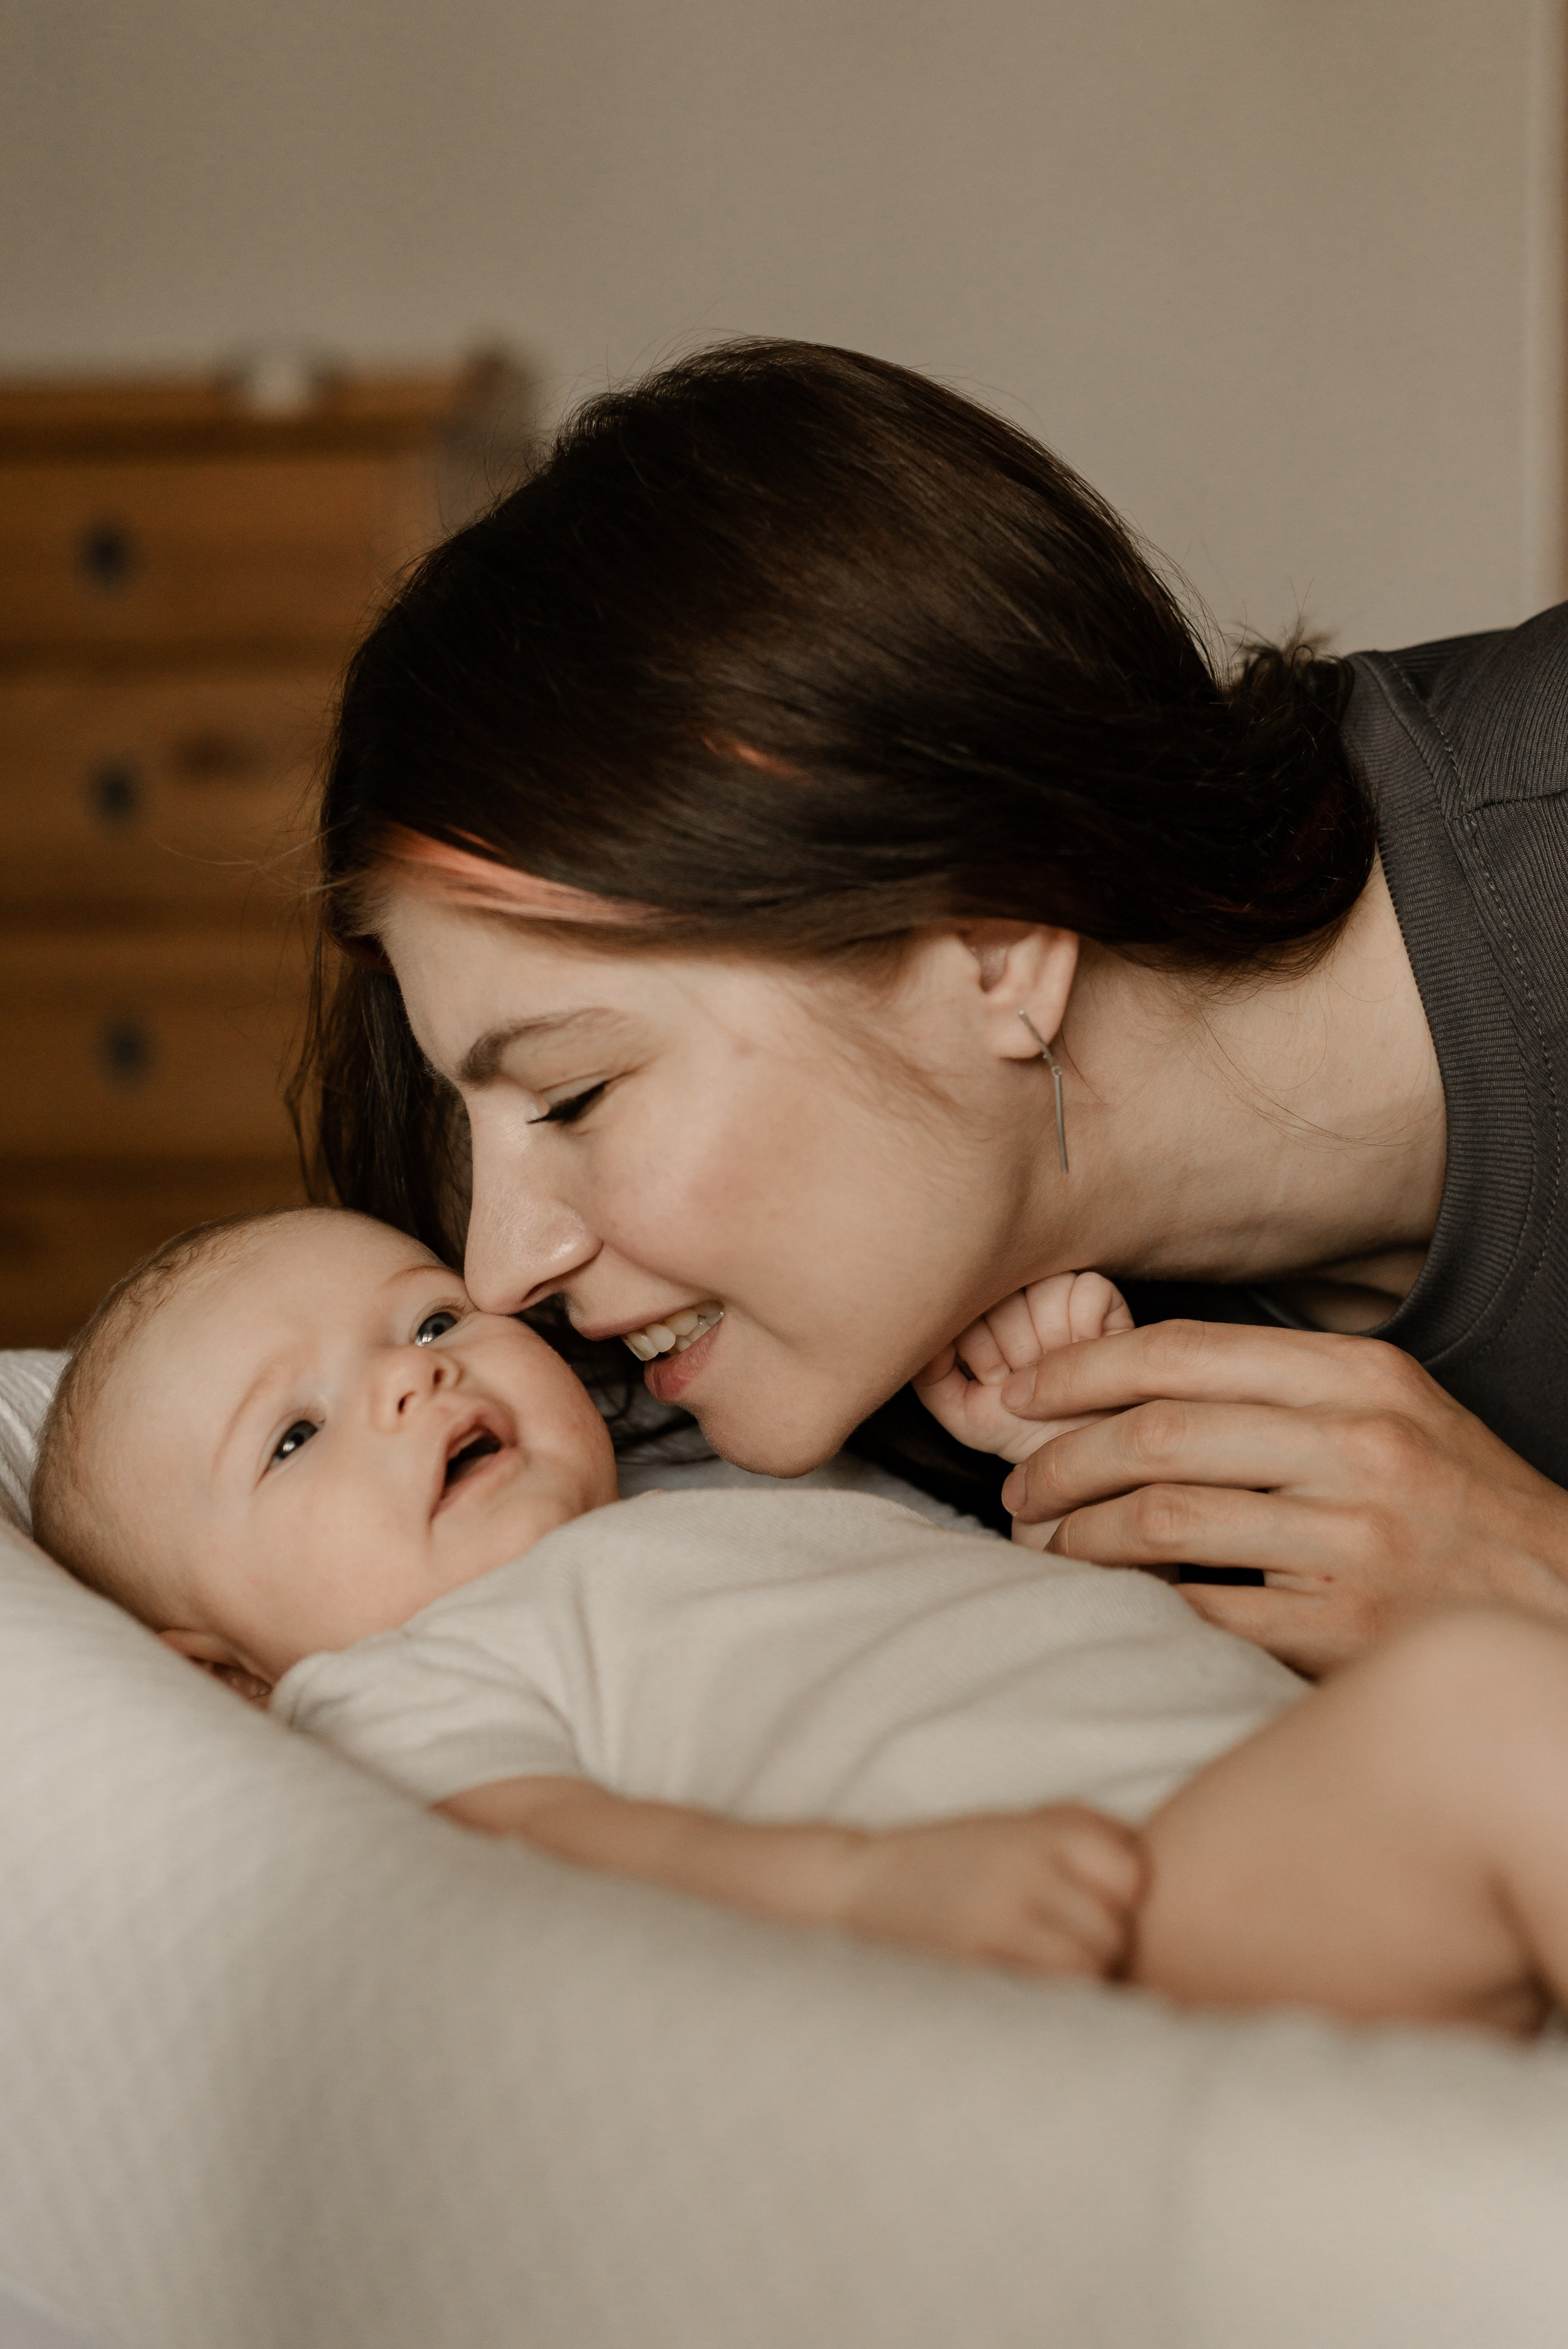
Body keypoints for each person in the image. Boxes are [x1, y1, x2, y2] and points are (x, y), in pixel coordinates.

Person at [293, 338, 1568, 1679]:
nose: (498, 1272)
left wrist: (1533, 1573)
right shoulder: (936, 1388)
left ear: (995, 942)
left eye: (574, 1094)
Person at [24, 1203, 1568, 2035]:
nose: (409, 1377)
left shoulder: (739, 1490)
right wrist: (855, 1893)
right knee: (1489, 1714)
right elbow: (536, 1853)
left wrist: (1051, 1442)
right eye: (292, 1437)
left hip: (1246, 1781)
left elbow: (1028, 1631)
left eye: (431, 1317)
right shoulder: (404, 1679)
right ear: (227, 1675)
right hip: (1104, 1899)